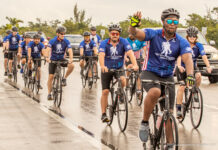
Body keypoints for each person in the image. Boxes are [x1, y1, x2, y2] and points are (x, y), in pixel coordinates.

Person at [129, 8, 194, 149]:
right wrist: (133, 25)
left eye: (175, 21)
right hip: (150, 72)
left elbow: (187, 59)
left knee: (168, 113)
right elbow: (136, 34)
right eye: (169, 20)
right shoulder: (154, 34)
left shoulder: (181, 41)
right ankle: (145, 123)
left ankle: (169, 145)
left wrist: (190, 76)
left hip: (168, 76)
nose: (172, 23)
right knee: (155, 92)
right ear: (163, 22)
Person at [99, 24, 138, 122]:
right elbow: (101, 55)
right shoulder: (104, 43)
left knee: (123, 80)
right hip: (107, 68)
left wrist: (135, 64)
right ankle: (103, 114)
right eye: (113, 33)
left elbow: (130, 53)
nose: (115, 35)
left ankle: (120, 94)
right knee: (105, 91)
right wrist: (102, 66)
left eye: (117, 33)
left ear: (119, 34)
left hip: (119, 67)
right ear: (110, 34)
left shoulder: (123, 41)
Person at [175, 26, 212, 118]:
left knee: (198, 75)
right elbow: (179, 56)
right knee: (182, 87)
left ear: (196, 37)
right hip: (182, 67)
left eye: (194, 36)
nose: (192, 38)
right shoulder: (183, 44)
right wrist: (179, 66)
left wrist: (208, 66)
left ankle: (195, 91)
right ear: (187, 36)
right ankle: (179, 108)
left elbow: (203, 56)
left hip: (192, 67)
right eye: (191, 36)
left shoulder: (199, 45)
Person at [46, 26, 74, 100]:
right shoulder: (52, 41)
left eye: (64, 33)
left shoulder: (66, 41)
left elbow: (70, 50)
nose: (63, 35)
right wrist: (46, 57)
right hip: (53, 60)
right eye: (61, 33)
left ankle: (64, 78)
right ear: (57, 34)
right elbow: (48, 49)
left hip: (61, 59)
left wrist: (71, 59)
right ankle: (49, 93)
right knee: (51, 77)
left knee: (72, 65)